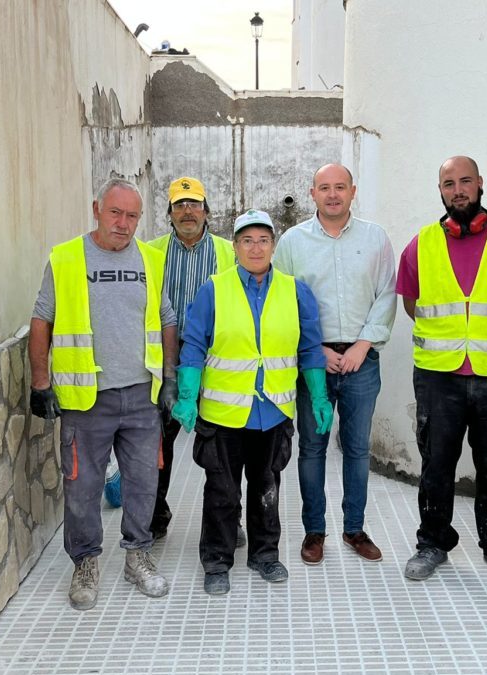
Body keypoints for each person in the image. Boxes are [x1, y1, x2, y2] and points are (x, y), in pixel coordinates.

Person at [28, 178, 179, 609]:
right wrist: (41, 383)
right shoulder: (67, 258)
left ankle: (137, 556)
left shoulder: (151, 259)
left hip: (139, 396)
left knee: (144, 483)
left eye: (132, 216)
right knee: (83, 487)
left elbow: (166, 317)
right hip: (86, 399)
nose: (124, 223)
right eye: (116, 213)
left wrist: (168, 378)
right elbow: (42, 320)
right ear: (97, 209)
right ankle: (86, 564)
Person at [171, 209, 332, 595]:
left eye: (263, 240)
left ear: (273, 246)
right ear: (235, 246)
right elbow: (193, 344)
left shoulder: (296, 291)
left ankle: (264, 555)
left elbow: (309, 349)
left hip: (272, 413)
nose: (255, 247)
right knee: (221, 491)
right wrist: (188, 397)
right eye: (247, 240)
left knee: (267, 487)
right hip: (223, 414)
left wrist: (320, 398)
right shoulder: (214, 289)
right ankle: (216, 560)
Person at [396, 156, 487, 584]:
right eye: (449, 183)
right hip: (439, 375)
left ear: (480, 184)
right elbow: (411, 303)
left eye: (465, 181)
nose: (458, 190)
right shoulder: (422, 242)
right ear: (440, 191)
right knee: (436, 463)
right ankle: (432, 543)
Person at [273, 163, 396, 565]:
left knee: (358, 449)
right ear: (312, 194)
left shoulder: (375, 238)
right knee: (312, 448)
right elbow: (282, 301)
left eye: (339, 187)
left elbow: (387, 294)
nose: (332, 194)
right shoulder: (293, 242)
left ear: (352, 191)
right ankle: (314, 531)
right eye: (324, 188)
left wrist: (364, 344)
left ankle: (355, 528)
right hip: (314, 363)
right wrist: (314, 350)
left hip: (363, 359)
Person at [146, 177, 243, 546]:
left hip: (216, 364)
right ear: (169, 214)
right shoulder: (149, 252)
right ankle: (155, 515)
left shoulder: (227, 252)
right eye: (179, 205)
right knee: (157, 443)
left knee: (222, 444)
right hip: (165, 364)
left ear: (207, 210)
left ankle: (227, 519)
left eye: (194, 204)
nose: (187, 211)